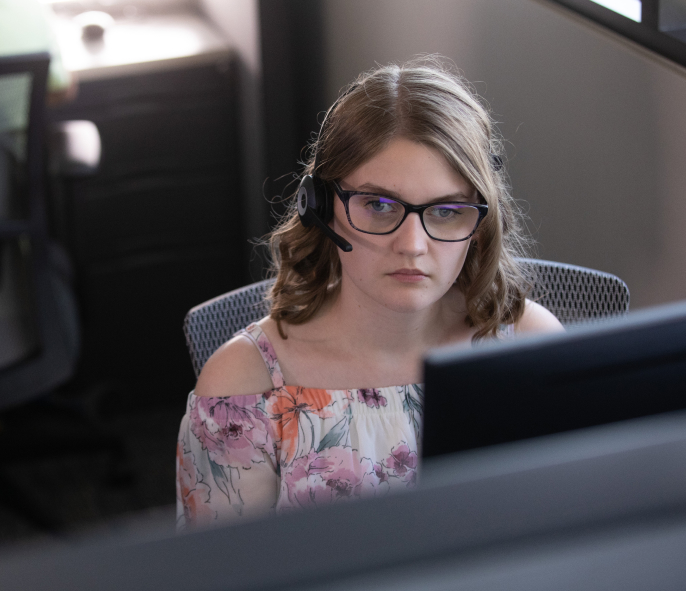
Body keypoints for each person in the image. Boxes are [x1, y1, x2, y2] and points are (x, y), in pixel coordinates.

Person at [176, 57, 563, 530]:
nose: (413, 246)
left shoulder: (531, 343)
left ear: (480, 224)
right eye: (379, 205)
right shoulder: (245, 385)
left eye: (447, 211)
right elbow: (221, 576)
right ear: (319, 207)